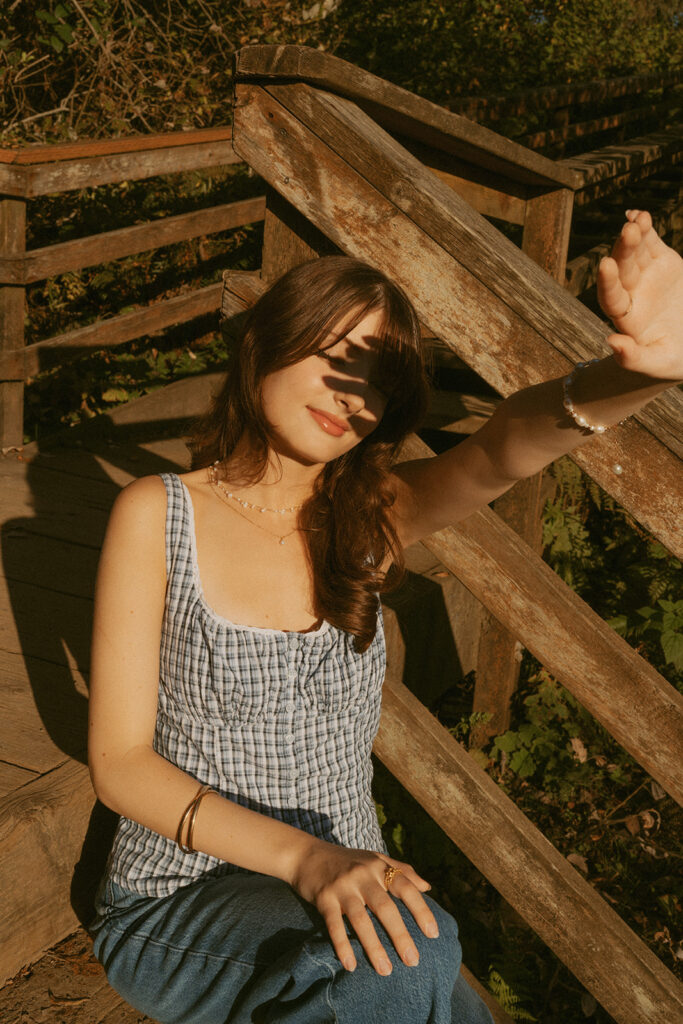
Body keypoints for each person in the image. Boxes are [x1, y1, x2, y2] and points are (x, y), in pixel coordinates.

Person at [88, 209, 682, 1024]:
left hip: (354, 886)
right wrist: (308, 862)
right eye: (336, 357)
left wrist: (645, 375)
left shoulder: (371, 521)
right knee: (414, 954)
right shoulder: (157, 515)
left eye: (378, 382)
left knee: (411, 963)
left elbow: (502, 446)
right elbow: (119, 764)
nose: (351, 394)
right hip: (182, 896)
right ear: (266, 341)